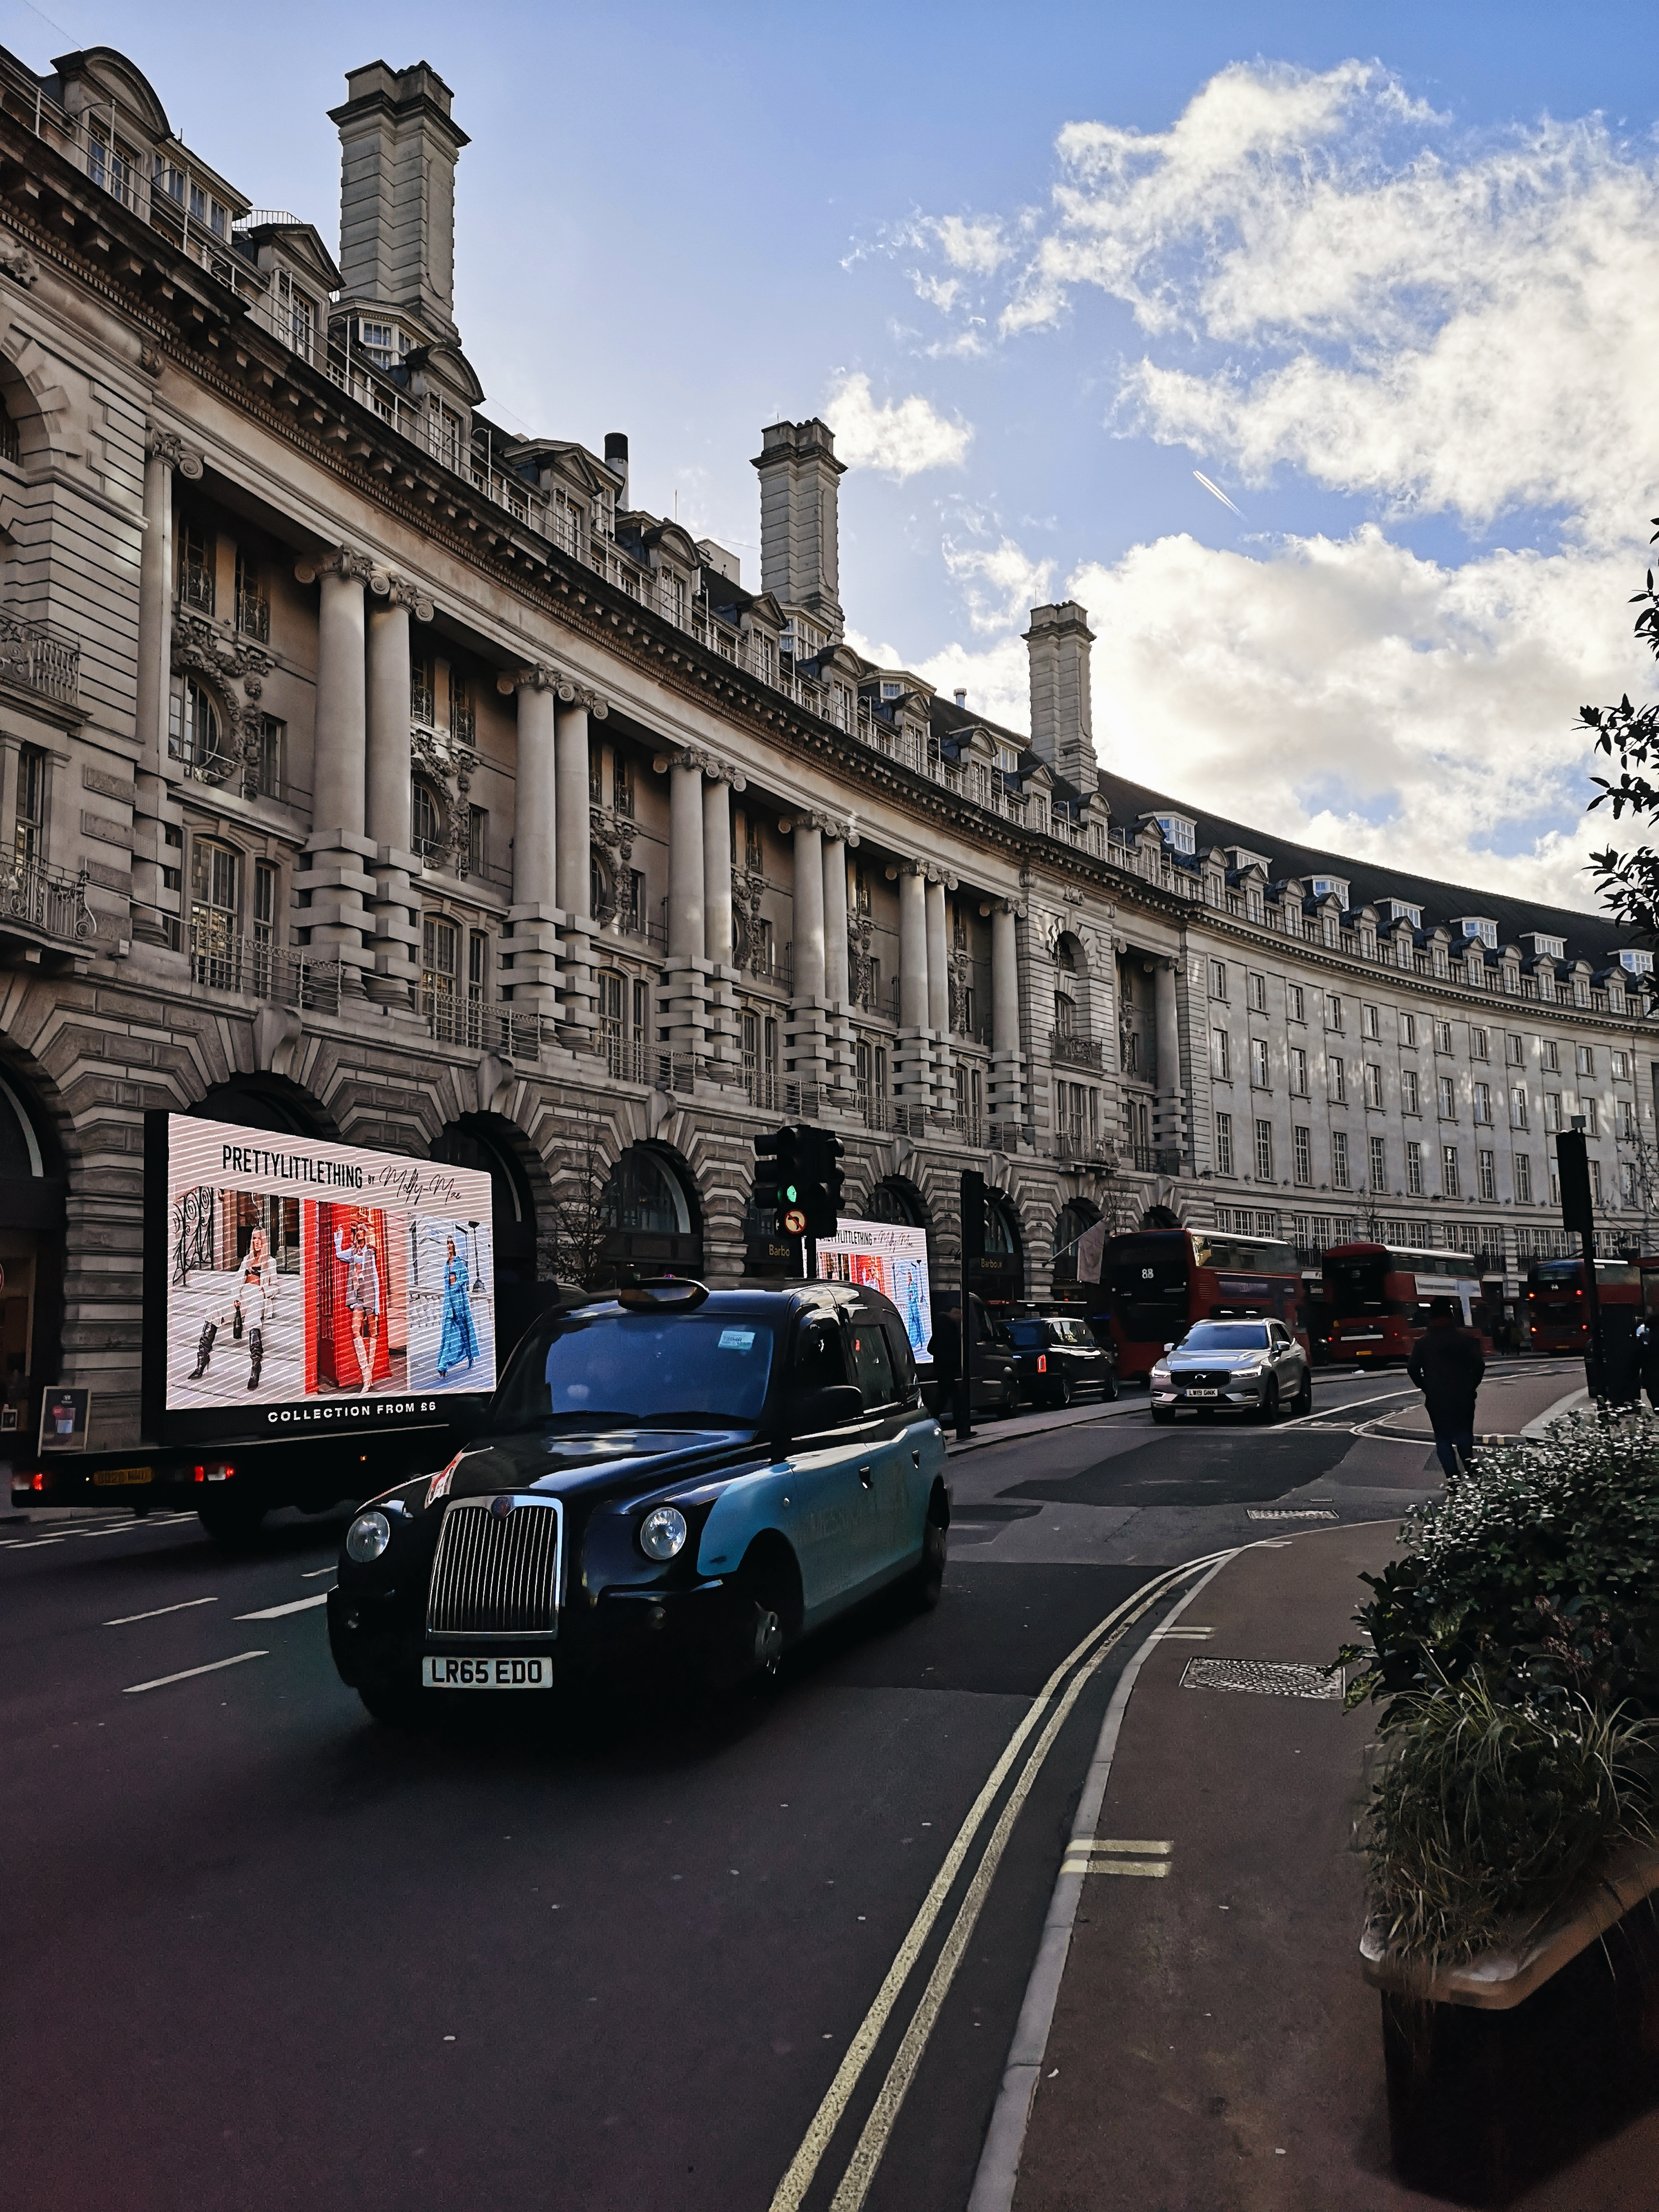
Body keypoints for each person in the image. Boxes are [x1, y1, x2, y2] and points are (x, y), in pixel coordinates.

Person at [1407, 1297, 1486, 1480]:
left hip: (1437, 1398)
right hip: (1463, 1395)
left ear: (1431, 1316)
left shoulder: (1423, 1343)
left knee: (1443, 1438)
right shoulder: (1465, 1341)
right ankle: (1472, 1471)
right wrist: (1471, 1386)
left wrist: (1426, 1387)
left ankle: (1453, 1480)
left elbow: (1412, 1369)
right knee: (1464, 1433)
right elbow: (1479, 1366)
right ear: (1451, 1314)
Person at [188, 1227, 274, 1385]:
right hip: (242, 1296)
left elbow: (275, 1287)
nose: (257, 1242)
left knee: (253, 1319)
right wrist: (236, 1298)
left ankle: (256, 1367)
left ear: (264, 1241)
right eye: (254, 1238)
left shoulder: (270, 1262)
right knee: (214, 1309)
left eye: (259, 1238)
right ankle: (202, 1359)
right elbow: (236, 1283)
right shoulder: (246, 1260)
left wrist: (263, 1292)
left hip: (257, 1295)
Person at [333, 1217, 381, 1392]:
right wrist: (339, 1237)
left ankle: (368, 1378)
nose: (360, 1232)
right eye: (358, 1230)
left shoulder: (370, 1251)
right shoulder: (353, 1252)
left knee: (373, 1332)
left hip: (370, 1292)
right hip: (357, 1294)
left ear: (366, 1233)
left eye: (362, 1230)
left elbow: (375, 1275)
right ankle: (366, 1374)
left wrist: (377, 1304)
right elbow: (339, 1254)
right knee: (355, 1331)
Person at [436, 1234, 478, 1379]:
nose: (449, 1246)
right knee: (447, 1333)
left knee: (464, 1330)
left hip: (459, 1300)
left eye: (451, 1243)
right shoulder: (446, 1264)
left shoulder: (460, 1263)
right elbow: (446, 1285)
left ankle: (471, 1356)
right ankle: (443, 1365)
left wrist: (456, 1285)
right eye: (447, 1244)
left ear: (454, 1246)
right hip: (449, 1302)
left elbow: (465, 1279)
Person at [929, 1303, 963, 1427]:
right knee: (955, 1398)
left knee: (943, 1399)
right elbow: (946, 1347)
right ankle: (960, 1427)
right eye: (960, 1314)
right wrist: (949, 1360)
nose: (961, 1318)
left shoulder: (943, 1324)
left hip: (943, 1368)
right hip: (946, 1369)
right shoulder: (947, 1326)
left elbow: (932, 1347)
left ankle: (934, 1425)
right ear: (954, 1313)